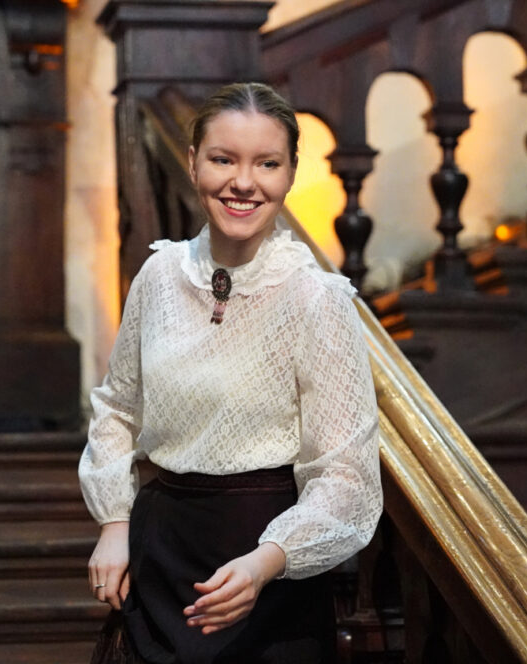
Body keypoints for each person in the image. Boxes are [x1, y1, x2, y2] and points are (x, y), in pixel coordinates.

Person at [79, 82, 382, 664]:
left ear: (290, 174)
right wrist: (113, 522)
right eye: (224, 159)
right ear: (194, 163)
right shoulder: (159, 276)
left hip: (266, 569)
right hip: (159, 555)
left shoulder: (317, 299)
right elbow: (117, 408)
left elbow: (346, 477)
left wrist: (267, 562)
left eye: (267, 163)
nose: (244, 182)